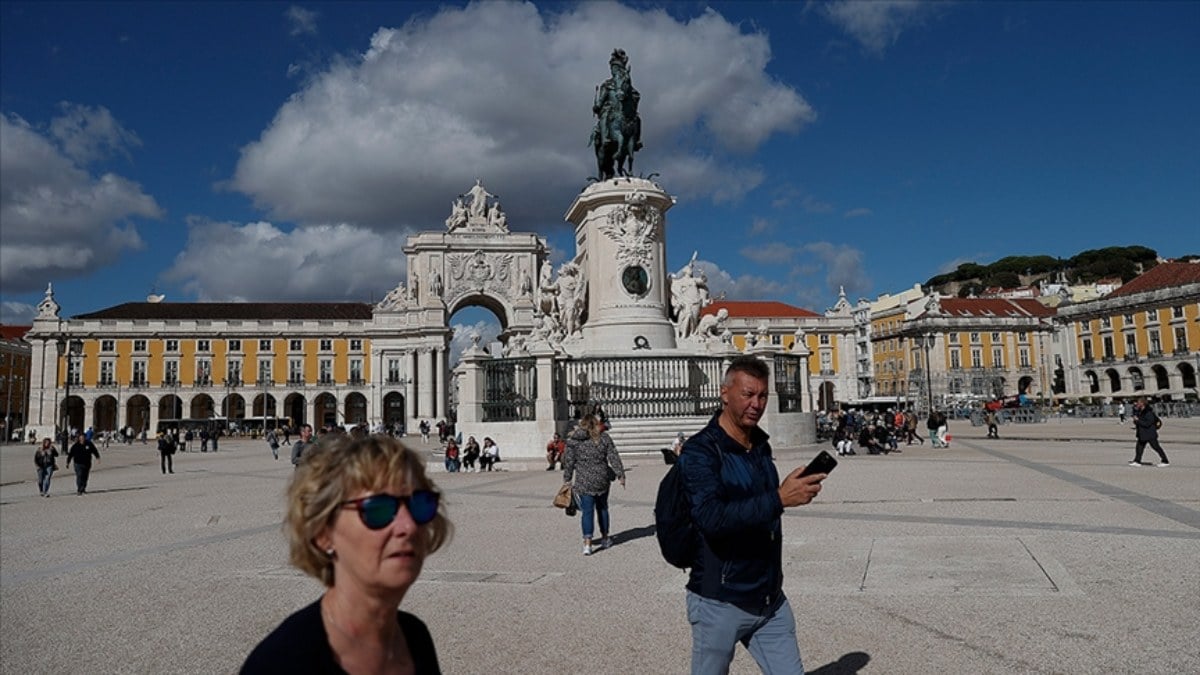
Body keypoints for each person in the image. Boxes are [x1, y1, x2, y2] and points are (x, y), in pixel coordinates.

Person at [241, 434, 450, 674]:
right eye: (378, 509)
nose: (408, 526)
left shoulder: (414, 637)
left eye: (419, 504)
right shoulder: (279, 665)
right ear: (323, 532)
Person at [676, 355, 826, 674]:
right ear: (725, 393)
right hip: (720, 601)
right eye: (747, 394)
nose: (756, 404)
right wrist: (779, 498)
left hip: (769, 599)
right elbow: (711, 518)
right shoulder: (700, 452)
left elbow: (763, 507)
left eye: (762, 395)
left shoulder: (759, 445)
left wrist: (784, 493)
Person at [562, 406, 625, 555]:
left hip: (584, 480)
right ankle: (604, 538)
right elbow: (613, 456)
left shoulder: (573, 441)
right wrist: (621, 474)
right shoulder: (603, 438)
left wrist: (567, 479)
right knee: (602, 508)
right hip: (602, 478)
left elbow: (569, 462)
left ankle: (587, 544)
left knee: (587, 512)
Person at [1129, 397, 1169, 467]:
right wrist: (1136, 421)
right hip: (1142, 434)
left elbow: (1147, 423)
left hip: (1149, 434)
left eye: (1138, 402)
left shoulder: (1148, 412)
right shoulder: (1140, 412)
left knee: (1156, 447)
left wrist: (1138, 420)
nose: (1136, 404)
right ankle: (1137, 461)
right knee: (1139, 448)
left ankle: (1165, 461)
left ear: (1142, 403)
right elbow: (1139, 423)